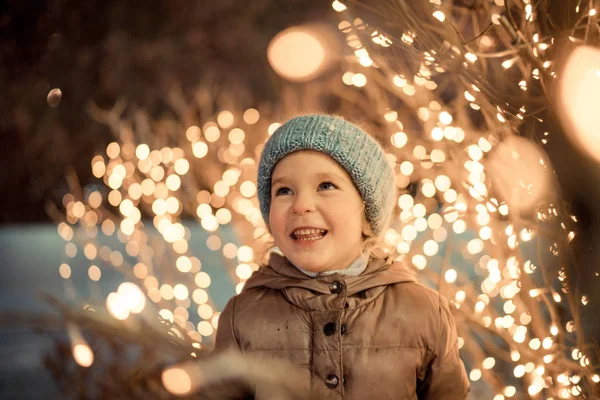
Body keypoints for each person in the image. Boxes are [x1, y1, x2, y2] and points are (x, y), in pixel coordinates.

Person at [214, 114, 470, 399]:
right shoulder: (244, 317)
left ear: (366, 213)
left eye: (325, 186)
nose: (301, 205)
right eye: (284, 190)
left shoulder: (423, 311)